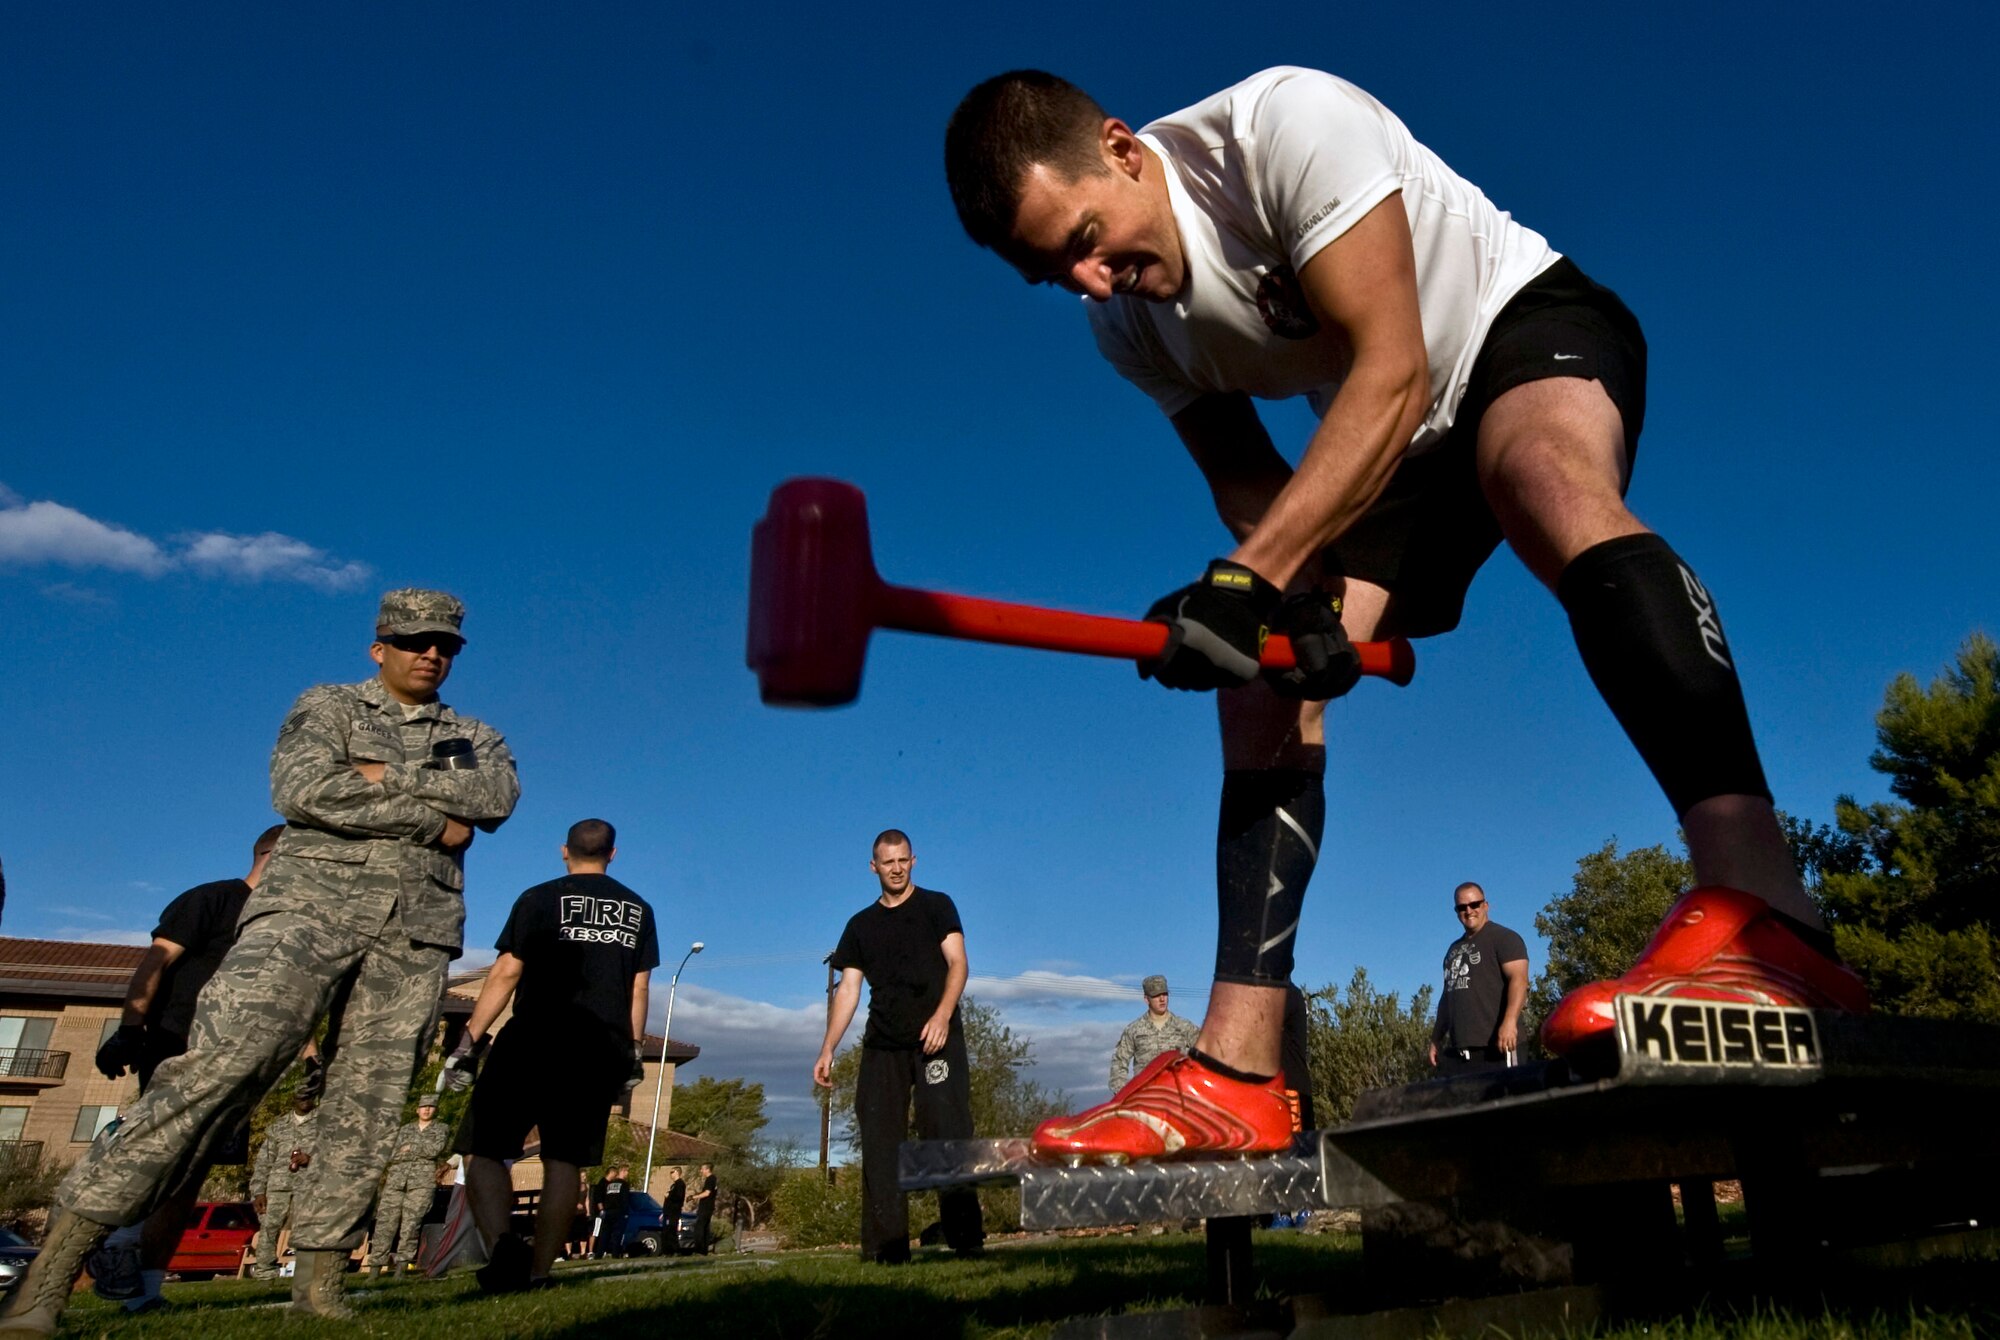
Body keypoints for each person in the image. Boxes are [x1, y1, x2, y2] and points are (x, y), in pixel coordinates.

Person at [942, 69, 1868, 1159]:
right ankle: (1237, 1068)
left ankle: (1770, 921)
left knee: (1541, 480)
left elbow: (1391, 368)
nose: (1093, 282)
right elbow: (1252, 491)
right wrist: (1278, 607)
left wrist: (1243, 582)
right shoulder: (1131, 332)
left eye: (1087, 238)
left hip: (1508, 333)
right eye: (1056, 274)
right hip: (1396, 449)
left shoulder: (1281, 127)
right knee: (1263, 671)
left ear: (1122, 148)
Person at [0, 588, 521, 1335]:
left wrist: (379, 777)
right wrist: (432, 814)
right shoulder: (330, 705)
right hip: (304, 914)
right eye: (414, 641)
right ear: (380, 648)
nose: (430, 653)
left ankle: (318, 1281)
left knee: (369, 1106)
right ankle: (46, 1281)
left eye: (445, 644)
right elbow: (302, 787)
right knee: (216, 1071)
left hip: (414, 930)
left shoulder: (472, 732)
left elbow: (491, 799)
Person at [444, 818, 658, 1293]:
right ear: (613, 853)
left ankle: (503, 1248)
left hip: (533, 1037)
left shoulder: (538, 898)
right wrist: (633, 1052)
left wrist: (468, 1040)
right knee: (565, 1161)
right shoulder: (638, 909)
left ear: (565, 851)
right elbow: (638, 986)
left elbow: (506, 970)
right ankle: (539, 1272)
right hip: (596, 1048)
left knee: (483, 1148)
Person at [84, 824, 285, 1311]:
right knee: (162, 1154)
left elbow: (284, 995)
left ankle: (146, 1294)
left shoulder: (282, 920)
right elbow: (155, 962)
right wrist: (131, 1029)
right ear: (275, 854)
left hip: (237, 1060)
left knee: (190, 1174)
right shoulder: (211, 900)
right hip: (179, 1047)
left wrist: (308, 1054)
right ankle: (114, 1242)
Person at [813, 830, 984, 1264]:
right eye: (887, 862)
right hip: (883, 1044)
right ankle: (887, 1248)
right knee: (880, 1140)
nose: (896, 868)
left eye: (903, 860)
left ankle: (965, 1239)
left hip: (936, 1037)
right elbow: (848, 990)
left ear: (913, 861)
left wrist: (943, 1015)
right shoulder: (860, 925)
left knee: (946, 1132)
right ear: (874, 866)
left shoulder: (936, 906)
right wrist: (828, 1047)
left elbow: (959, 964)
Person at [1429, 884, 1529, 1075]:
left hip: (1499, 1047)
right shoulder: (1453, 949)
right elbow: (1447, 995)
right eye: (1462, 907)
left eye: (1474, 904)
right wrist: (1436, 1038)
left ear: (1486, 905)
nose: (1469, 910)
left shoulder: (1505, 938)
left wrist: (1509, 1023)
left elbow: (1519, 980)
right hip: (1462, 1053)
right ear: (1456, 911)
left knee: (1507, 1102)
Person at [364, 1096, 451, 1274]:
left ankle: (402, 1267)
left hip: (422, 1182)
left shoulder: (441, 1129)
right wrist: (415, 1150)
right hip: (396, 1181)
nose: (427, 1110)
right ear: (416, 1110)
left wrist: (409, 1148)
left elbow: (435, 1149)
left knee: (411, 1225)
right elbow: (389, 1154)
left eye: (431, 1107)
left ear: (435, 1110)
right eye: (423, 1106)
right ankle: (375, 1267)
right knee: (385, 1224)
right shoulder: (404, 1130)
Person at [248, 1092, 322, 1281]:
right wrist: (258, 1191)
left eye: (309, 1096)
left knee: (307, 1229)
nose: (305, 1100)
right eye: (301, 1096)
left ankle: (305, 1274)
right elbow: (264, 1161)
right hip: (278, 1186)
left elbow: (336, 1154)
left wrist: (312, 1160)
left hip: (309, 1185)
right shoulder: (279, 1126)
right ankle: (265, 1273)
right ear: (293, 1099)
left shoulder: (325, 1123)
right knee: (269, 1228)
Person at [1107, 975, 1201, 1092]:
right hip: (1145, 1096)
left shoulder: (1184, 1027)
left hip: (1177, 1095)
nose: (1162, 999)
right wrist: (1122, 1092)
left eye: (1165, 994)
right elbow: (1119, 1060)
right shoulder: (1134, 1029)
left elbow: (1205, 1054)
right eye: (1156, 996)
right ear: (1146, 999)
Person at [591, 1164, 632, 1259]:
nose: (627, 1174)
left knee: (604, 1235)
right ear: (622, 1171)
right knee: (617, 1235)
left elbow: (605, 1198)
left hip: (608, 1212)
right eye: (626, 1171)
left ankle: (599, 1254)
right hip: (618, 1212)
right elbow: (625, 1199)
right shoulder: (624, 1184)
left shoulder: (609, 1184)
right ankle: (615, 1255)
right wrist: (625, 1213)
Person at [688, 1164, 718, 1256]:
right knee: (705, 1228)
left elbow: (707, 1193)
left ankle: (699, 1250)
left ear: (708, 1169)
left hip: (706, 1207)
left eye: (702, 1169)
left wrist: (693, 1197)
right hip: (708, 1207)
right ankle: (704, 1251)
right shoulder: (713, 1179)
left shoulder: (710, 1179)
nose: (701, 1171)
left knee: (699, 1228)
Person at [660, 1166, 687, 1256]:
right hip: (668, 1211)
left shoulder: (680, 1184)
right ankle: (668, 1251)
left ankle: (676, 1250)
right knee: (667, 1231)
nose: (670, 1174)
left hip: (674, 1211)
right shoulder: (674, 1185)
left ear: (677, 1172)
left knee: (671, 1230)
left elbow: (679, 1197)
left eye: (672, 1172)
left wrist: (669, 1195)